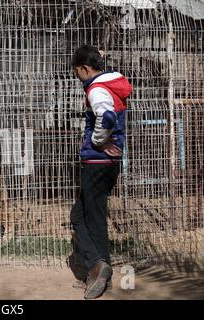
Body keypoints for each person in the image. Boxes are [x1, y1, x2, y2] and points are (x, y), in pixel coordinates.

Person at [70, 45, 132, 299]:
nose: (78, 78)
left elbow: (105, 118)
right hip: (108, 162)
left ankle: (97, 265)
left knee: (87, 217)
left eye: (77, 73)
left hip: (97, 161)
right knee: (83, 215)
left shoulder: (97, 90)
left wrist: (96, 142)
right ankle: (98, 270)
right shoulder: (111, 84)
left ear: (85, 68)